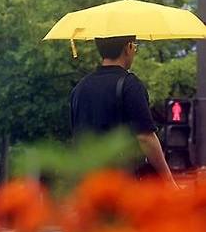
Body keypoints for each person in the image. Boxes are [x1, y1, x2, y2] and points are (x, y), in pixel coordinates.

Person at [70, 35, 177, 187]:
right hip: (121, 184)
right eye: (134, 46)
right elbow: (145, 137)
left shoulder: (80, 88)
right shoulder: (129, 84)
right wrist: (169, 180)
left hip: (87, 184)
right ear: (128, 47)